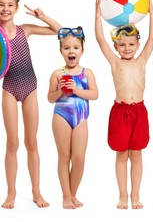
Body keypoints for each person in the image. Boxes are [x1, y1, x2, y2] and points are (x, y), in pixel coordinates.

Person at [0, 0, 62, 209]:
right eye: (1, 5)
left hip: (30, 88)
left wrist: (43, 16)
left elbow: (61, 31)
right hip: (9, 88)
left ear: (16, 8)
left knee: (32, 142)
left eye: (10, 5)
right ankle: (11, 193)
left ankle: (36, 191)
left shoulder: (24, 30)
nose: (6, 9)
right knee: (13, 142)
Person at [95, 0, 153, 209]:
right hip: (120, 112)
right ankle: (123, 195)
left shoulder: (141, 60)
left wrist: (151, 11)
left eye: (131, 44)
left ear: (138, 44)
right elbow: (101, 40)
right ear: (117, 46)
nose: (127, 48)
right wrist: (97, 15)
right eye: (122, 45)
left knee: (137, 153)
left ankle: (136, 194)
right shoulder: (115, 62)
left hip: (139, 111)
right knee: (121, 154)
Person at [47, 27, 98, 209]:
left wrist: (76, 90)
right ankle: (66, 196)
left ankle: (73, 193)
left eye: (75, 47)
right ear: (61, 51)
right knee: (64, 156)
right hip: (61, 115)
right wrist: (60, 90)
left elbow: (95, 94)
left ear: (82, 51)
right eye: (67, 48)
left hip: (81, 118)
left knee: (79, 158)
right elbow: (50, 98)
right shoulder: (57, 74)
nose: (71, 51)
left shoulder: (87, 73)